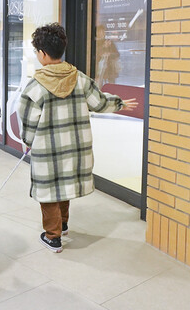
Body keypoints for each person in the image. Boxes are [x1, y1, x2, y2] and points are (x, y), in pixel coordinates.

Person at [17, 23, 137, 253]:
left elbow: (28, 119)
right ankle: (62, 225)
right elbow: (99, 102)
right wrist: (120, 103)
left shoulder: (35, 86)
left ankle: (52, 237)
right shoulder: (80, 79)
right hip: (74, 147)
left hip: (48, 149)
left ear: (42, 54)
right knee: (65, 184)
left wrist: (28, 140)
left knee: (49, 190)